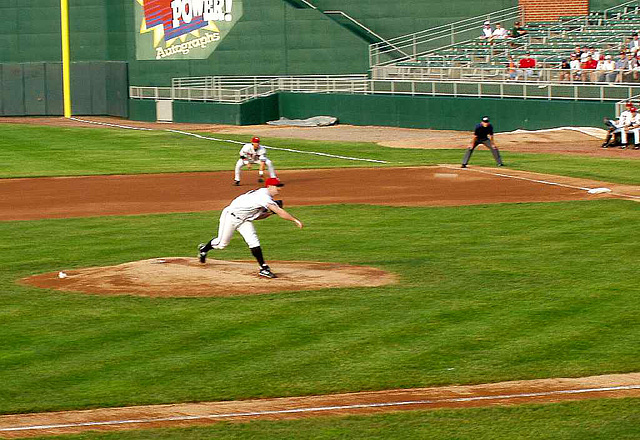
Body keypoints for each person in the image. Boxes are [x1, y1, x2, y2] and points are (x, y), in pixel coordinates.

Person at [197, 177, 304, 278]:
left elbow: (257, 217)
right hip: (230, 216)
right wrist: (294, 220)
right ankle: (204, 249)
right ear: (269, 186)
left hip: (244, 220)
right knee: (221, 244)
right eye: (277, 186)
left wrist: (270, 213)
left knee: (253, 241)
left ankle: (263, 268)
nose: (279, 189)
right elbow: (279, 211)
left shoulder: (264, 196)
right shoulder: (263, 197)